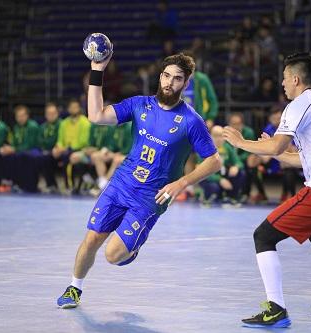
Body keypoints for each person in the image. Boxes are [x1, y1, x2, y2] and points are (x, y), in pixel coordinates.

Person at [56, 53, 221, 309]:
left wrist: (180, 184)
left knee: (113, 255)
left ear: (185, 83)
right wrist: (97, 70)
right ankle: (74, 288)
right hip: (121, 184)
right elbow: (96, 115)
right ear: (160, 76)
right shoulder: (139, 105)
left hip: (150, 198)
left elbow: (214, 161)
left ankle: (131, 247)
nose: (169, 83)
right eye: (166, 76)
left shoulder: (192, 121)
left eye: (177, 79)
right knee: (92, 239)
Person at [224, 52, 311, 328]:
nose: (282, 83)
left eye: (284, 78)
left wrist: (240, 142)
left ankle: (276, 309)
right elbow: (297, 156)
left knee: (263, 236)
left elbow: (276, 147)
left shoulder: (299, 104)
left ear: (295, 78)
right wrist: (274, 151)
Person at [198, 125, 245, 206]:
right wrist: (219, 180)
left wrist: (236, 167)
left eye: (221, 136)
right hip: (209, 177)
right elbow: (200, 171)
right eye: (215, 136)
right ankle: (207, 197)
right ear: (210, 136)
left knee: (240, 173)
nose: (219, 139)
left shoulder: (227, 147)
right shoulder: (204, 148)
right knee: (214, 187)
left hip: (223, 174)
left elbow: (239, 162)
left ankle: (231, 197)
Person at [0, 105, 41, 192]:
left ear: (27, 116)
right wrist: (7, 148)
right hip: (19, 150)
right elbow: (14, 143)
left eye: (22, 116)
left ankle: (29, 186)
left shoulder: (33, 126)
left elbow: (30, 145)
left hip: (34, 150)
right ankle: (10, 183)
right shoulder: (16, 127)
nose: (20, 118)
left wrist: (14, 149)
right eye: (18, 116)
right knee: (3, 155)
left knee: (22, 156)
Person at [52, 99, 91, 193]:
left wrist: (66, 148)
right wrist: (58, 147)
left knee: (67, 157)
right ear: (68, 109)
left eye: (75, 107)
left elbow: (84, 141)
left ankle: (70, 186)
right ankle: (55, 185)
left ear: (79, 109)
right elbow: (60, 139)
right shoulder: (63, 123)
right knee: (51, 156)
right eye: (71, 107)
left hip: (80, 149)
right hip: (66, 149)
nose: (73, 109)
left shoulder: (85, 122)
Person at [228, 112, 256, 202]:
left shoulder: (249, 132)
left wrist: (238, 161)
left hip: (243, 158)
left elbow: (250, 150)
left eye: (238, 124)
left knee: (250, 168)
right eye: (233, 124)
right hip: (229, 160)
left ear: (242, 124)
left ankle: (245, 193)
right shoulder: (225, 133)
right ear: (229, 124)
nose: (236, 126)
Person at [39, 103, 61, 193]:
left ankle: (52, 185)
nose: (51, 116)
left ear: (57, 114)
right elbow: (40, 140)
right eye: (49, 114)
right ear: (45, 115)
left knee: (46, 158)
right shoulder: (43, 126)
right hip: (45, 150)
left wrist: (49, 145)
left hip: (57, 151)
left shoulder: (61, 124)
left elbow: (56, 139)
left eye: (53, 113)